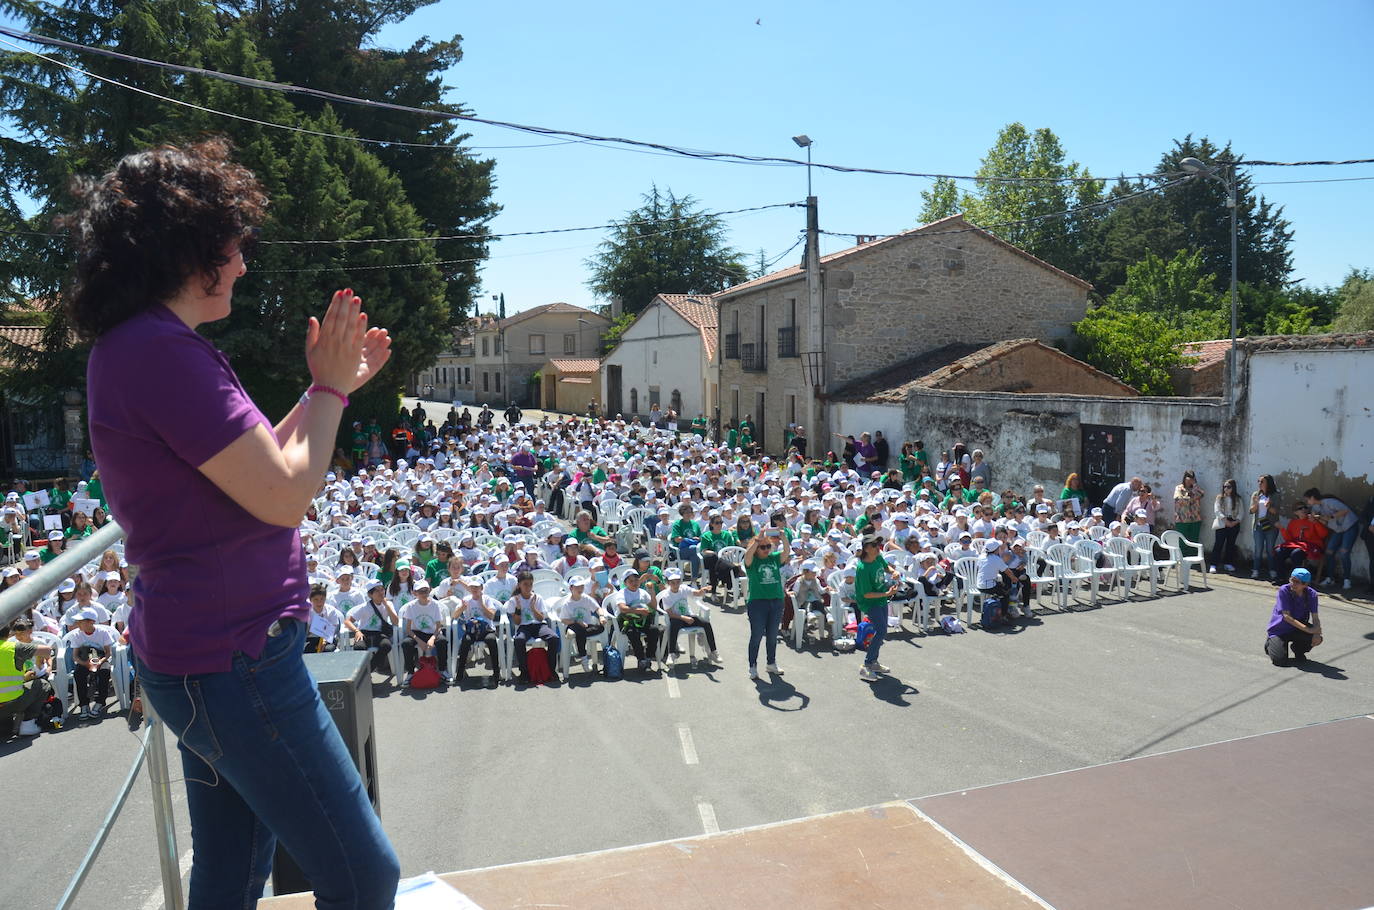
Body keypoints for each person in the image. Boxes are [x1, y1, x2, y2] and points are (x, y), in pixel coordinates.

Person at [71, 141, 400, 906]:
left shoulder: (144, 347)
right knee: (362, 872)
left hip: (204, 655)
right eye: (234, 245)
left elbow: (254, 463)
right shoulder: (163, 355)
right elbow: (286, 496)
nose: (244, 263)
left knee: (230, 871)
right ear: (185, 249)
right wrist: (329, 394)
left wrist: (331, 389)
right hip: (235, 660)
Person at [0, 617, 55, 737]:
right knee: (42, 684)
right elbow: (47, 651)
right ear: (9, 633)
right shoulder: (15, 647)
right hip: (14, 701)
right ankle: (28, 724)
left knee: (5, 730)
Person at [743, 526, 786, 679]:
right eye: (763, 547)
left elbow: (785, 553)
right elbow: (747, 556)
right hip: (757, 603)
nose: (766, 549)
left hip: (776, 601)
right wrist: (758, 539)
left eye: (768, 546)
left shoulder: (773, 557)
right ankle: (752, 665)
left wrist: (784, 538)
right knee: (756, 635)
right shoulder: (752, 561)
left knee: (773, 635)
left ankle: (771, 663)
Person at [854, 533, 895, 681]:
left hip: (881, 598)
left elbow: (886, 568)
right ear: (866, 548)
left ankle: (873, 662)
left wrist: (893, 572)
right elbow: (867, 594)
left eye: (878, 545)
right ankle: (867, 664)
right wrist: (887, 593)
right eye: (874, 545)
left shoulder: (877, 557)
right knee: (882, 630)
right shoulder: (863, 568)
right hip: (870, 602)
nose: (878, 548)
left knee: (881, 631)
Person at [1264, 568, 1321, 666]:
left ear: (1305, 584)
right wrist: (1309, 630)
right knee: (1279, 661)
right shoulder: (1284, 590)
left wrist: (1316, 633)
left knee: (1316, 638)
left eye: (1297, 582)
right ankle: (1270, 643)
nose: (1293, 584)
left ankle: (1298, 650)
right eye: (1292, 580)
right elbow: (1286, 616)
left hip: (1297, 628)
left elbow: (1315, 617)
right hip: (1280, 629)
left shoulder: (1312, 594)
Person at [1305, 487, 1358, 591]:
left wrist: (1331, 517)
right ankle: (1330, 578)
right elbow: (1325, 523)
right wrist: (1316, 520)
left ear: (1312, 497)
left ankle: (1347, 580)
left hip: (1349, 526)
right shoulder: (1315, 509)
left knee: (1344, 552)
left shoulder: (1329, 502)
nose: (1307, 502)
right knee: (1329, 551)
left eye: (1307, 499)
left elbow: (1345, 510)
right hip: (1338, 530)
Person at [1250, 474, 1281, 581]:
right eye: (1258, 481)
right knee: (1258, 549)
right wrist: (1255, 504)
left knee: (1269, 549)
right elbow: (1252, 511)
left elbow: (1276, 512)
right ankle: (1255, 570)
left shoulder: (1275, 495)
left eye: (1262, 481)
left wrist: (1269, 506)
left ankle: (1272, 570)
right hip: (1258, 526)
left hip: (1270, 526)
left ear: (1268, 483)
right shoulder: (1256, 494)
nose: (1259, 484)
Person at [1210, 479, 1243, 573]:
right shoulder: (1220, 498)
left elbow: (1241, 512)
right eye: (1224, 487)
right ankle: (1213, 564)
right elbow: (1217, 510)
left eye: (1228, 487)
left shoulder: (1238, 498)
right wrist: (1225, 521)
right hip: (1222, 522)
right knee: (1218, 543)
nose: (1226, 489)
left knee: (1230, 544)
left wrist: (1235, 522)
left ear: (1233, 488)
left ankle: (1228, 563)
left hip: (1234, 522)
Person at [1172, 470, 1205, 545]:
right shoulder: (1179, 488)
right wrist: (1192, 497)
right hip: (1182, 519)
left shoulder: (1196, 488)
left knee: (1194, 541)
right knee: (1183, 541)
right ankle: (1183, 556)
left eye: (1192, 478)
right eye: (1188, 477)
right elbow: (1179, 499)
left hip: (1195, 518)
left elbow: (1202, 494)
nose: (1190, 479)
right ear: (1184, 478)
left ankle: (1193, 556)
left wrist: (1194, 486)